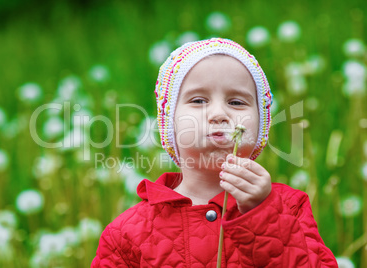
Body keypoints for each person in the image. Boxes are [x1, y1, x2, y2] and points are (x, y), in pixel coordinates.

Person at [91, 38, 338, 267]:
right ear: (169, 124)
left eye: (237, 102)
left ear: (262, 123)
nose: (219, 114)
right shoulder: (125, 233)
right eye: (198, 101)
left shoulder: (289, 207)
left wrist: (262, 215)